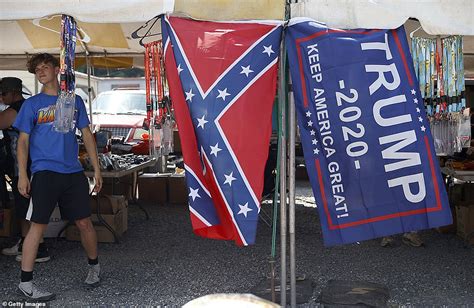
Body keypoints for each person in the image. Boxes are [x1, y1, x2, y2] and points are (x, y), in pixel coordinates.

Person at [14, 53, 103, 301]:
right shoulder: (31, 105)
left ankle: (94, 267)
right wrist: (23, 174)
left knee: (84, 222)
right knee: (37, 226)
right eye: (37, 69)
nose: (40, 72)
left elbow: (86, 135)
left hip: (73, 172)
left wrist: (96, 169)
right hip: (44, 171)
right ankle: (26, 283)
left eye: (45, 67)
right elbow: (22, 141)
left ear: (56, 70)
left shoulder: (73, 101)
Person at [0, 77, 51, 263]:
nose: (1, 97)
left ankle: (39, 248)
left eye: (3, 93)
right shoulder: (27, 106)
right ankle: (25, 243)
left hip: (24, 165)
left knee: (27, 207)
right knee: (24, 208)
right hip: (28, 163)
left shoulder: (16, 110)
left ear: (13, 93)